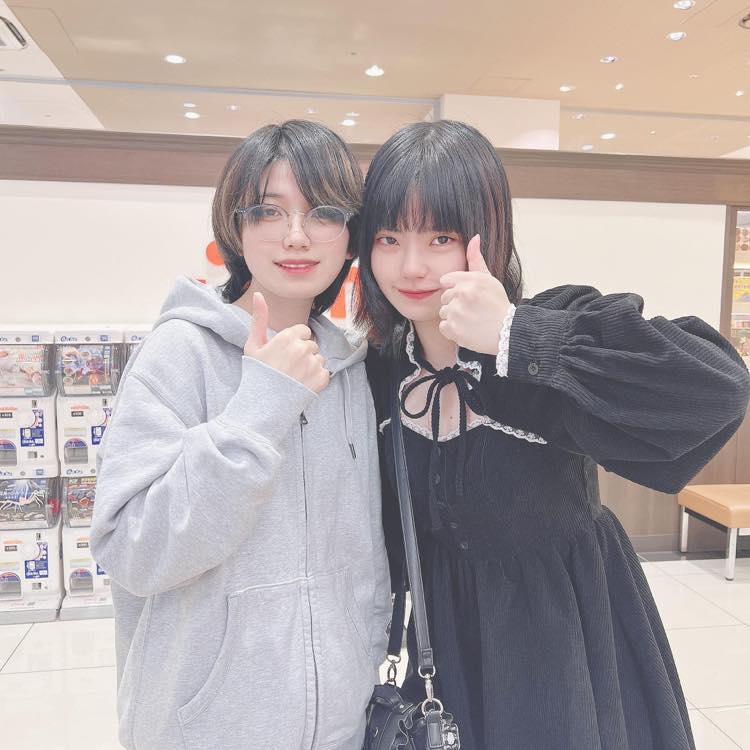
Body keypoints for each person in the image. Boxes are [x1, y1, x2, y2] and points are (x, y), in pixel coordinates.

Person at [355, 119, 750, 749]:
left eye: (440, 237)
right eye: (388, 237)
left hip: (565, 645)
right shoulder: (382, 371)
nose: (411, 264)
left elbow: (718, 390)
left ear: (487, 235)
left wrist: (513, 335)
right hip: (445, 651)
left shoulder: (547, 330)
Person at [91, 120, 391, 750]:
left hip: (340, 727)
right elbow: (131, 550)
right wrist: (257, 410)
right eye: (268, 211)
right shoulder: (181, 353)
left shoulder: (350, 369)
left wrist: (359, 667)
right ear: (235, 227)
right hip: (206, 729)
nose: (296, 236)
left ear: (350, 234)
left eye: (322, 213)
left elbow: (363, 556)